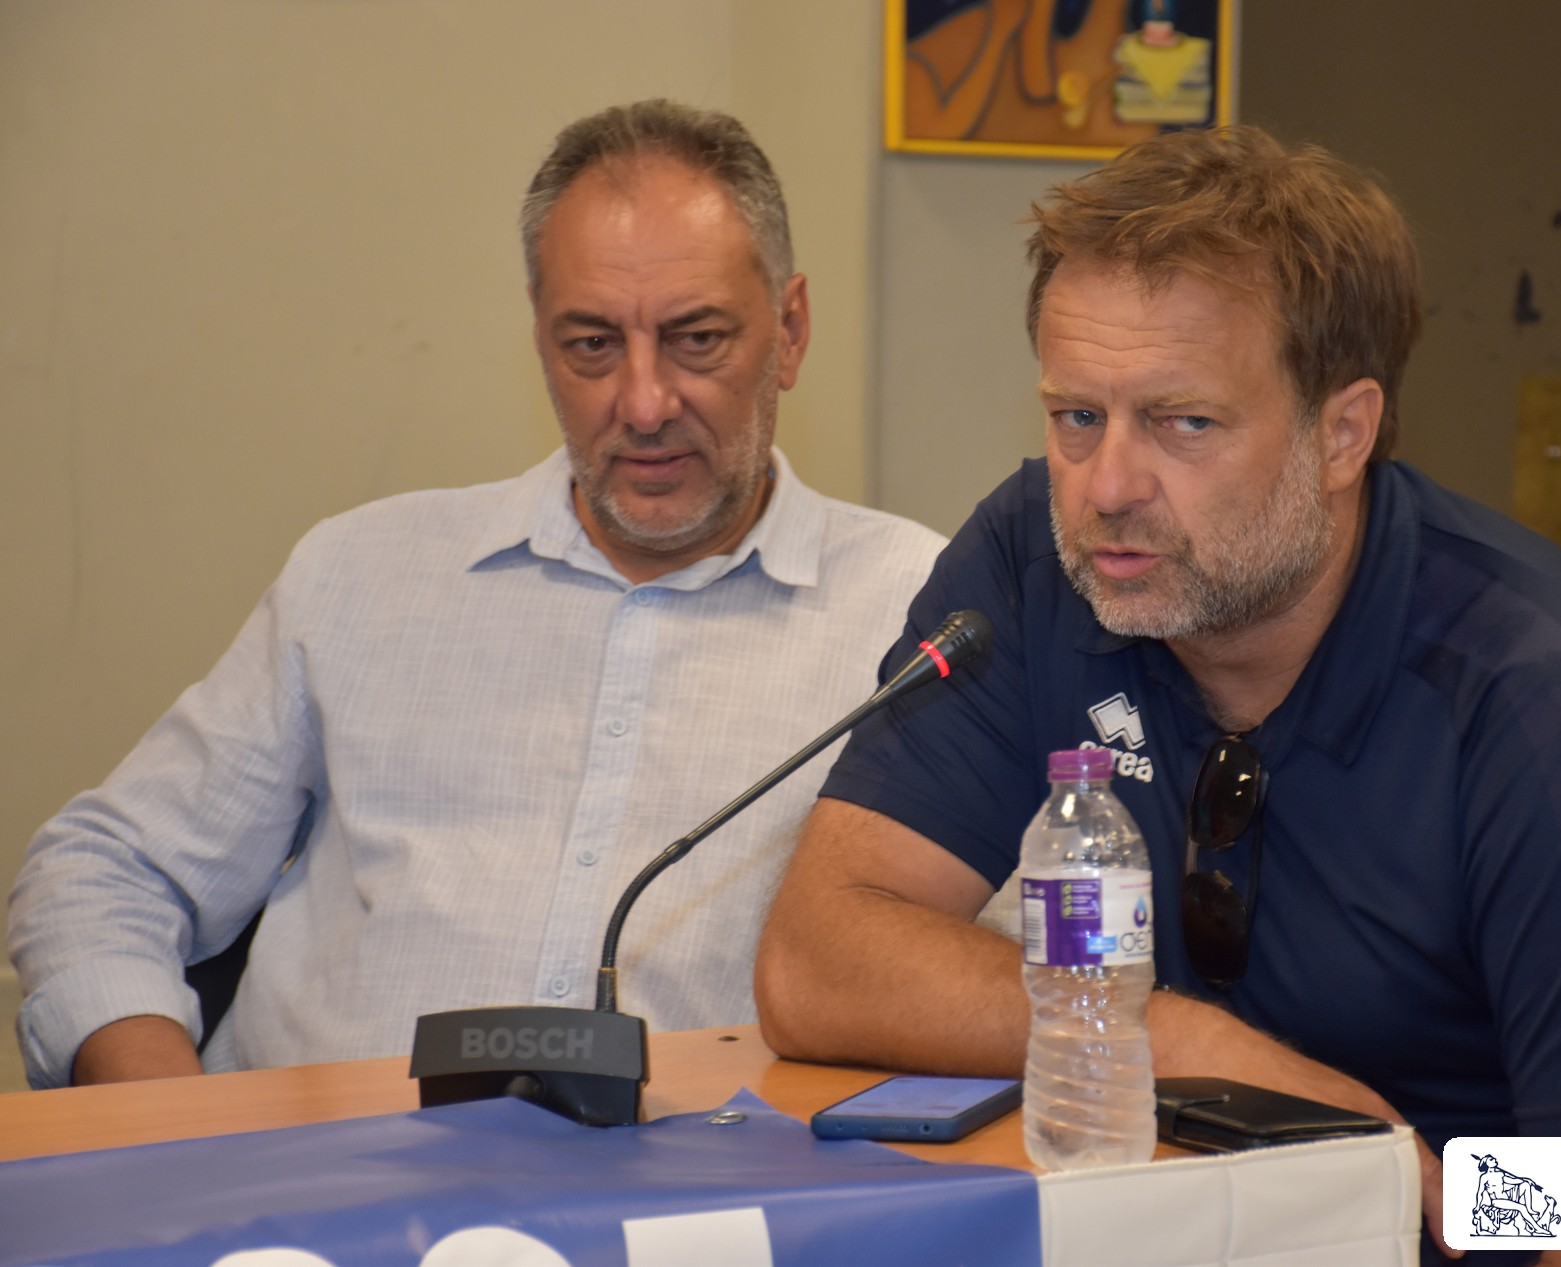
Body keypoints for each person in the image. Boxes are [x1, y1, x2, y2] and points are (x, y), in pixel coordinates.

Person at [754, 125, 1561, 1264]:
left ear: (1343, 433)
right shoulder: (1038, 563)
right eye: (1078, 415)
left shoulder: (1554, 699)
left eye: (1185, 422)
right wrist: (1182, 1041)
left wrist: (1419, 1193)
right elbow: (816, 959)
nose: (1108, 487)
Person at [8, 100, 944, 1089]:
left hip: (707, 1177)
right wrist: (170, 1125)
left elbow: (1015, 961)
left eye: (697, 338)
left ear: (789, 332)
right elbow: (103, 870)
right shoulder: (361, 575)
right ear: (539, 337)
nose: (643, 403)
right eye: (591, 345)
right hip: (323, 1171)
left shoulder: (920, 622)